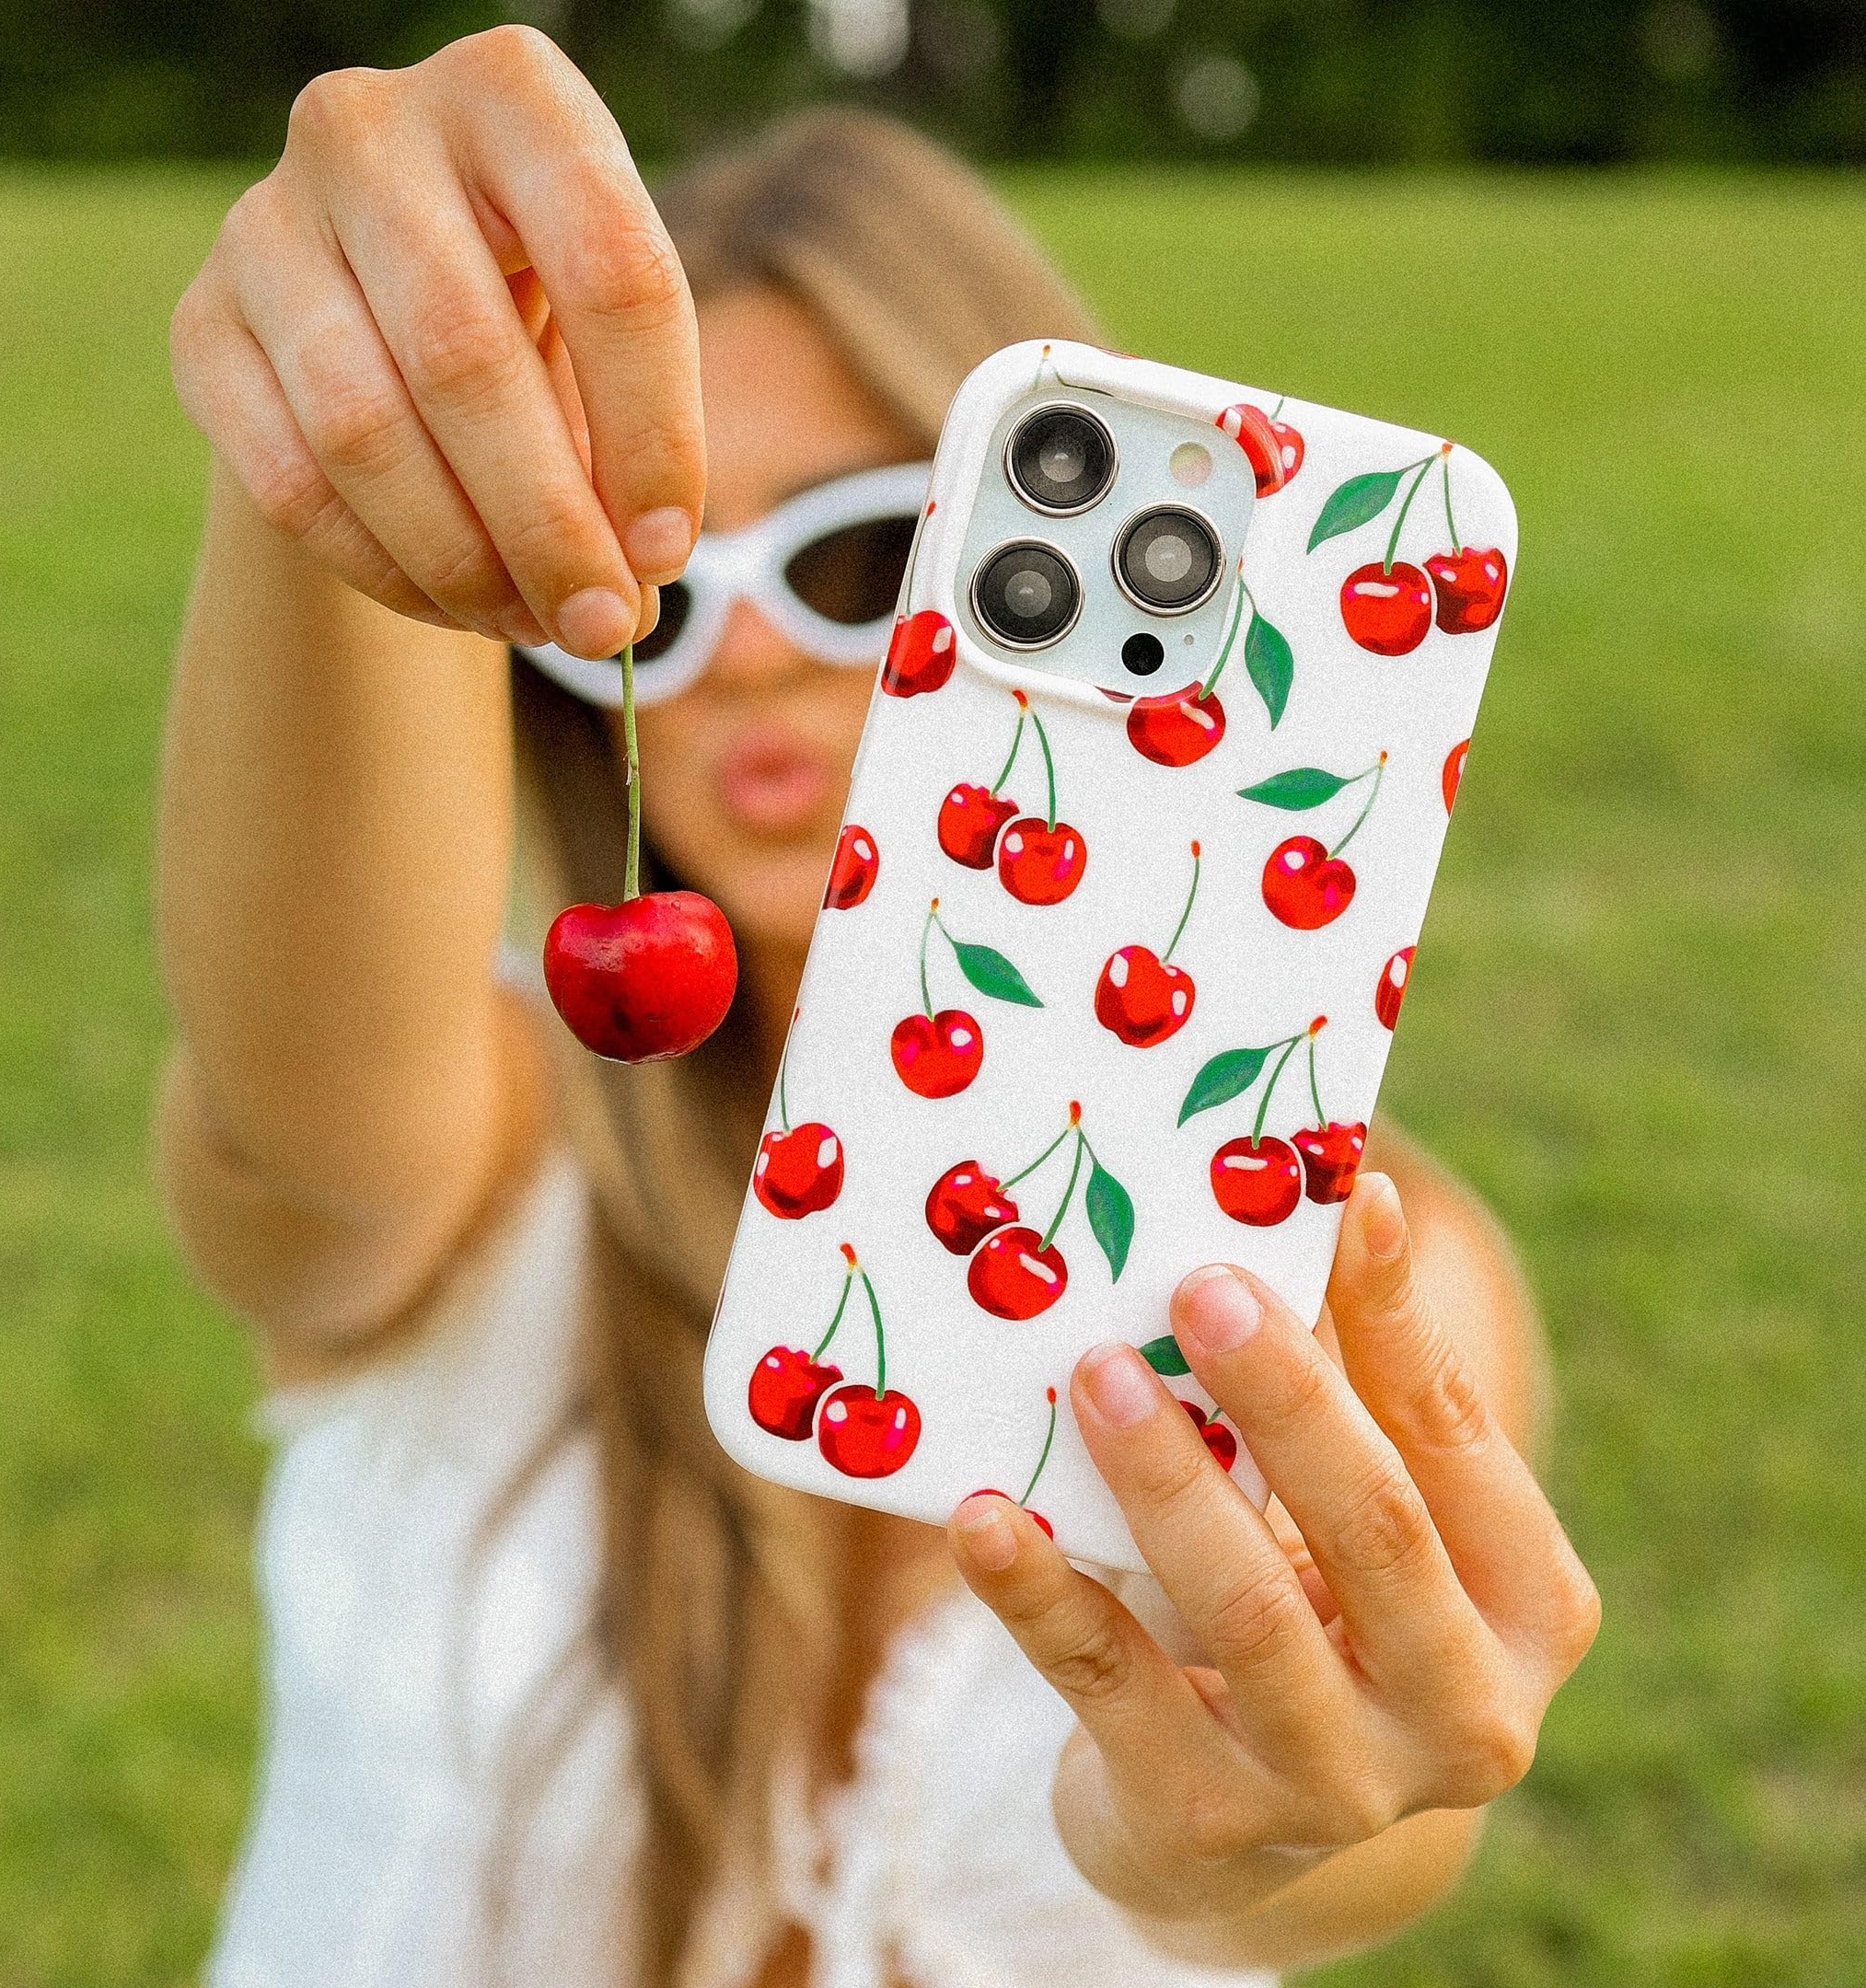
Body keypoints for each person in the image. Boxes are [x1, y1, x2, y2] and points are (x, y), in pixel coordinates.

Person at [158, 29, 1600, 1988]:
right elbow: (289, 1122)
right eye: (654, 592)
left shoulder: (1331, 1288)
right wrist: (344, 418)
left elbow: (1336, 1846)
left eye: (862, 555)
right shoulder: (483, 1151)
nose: (745, 650)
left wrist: (1228, 1840)